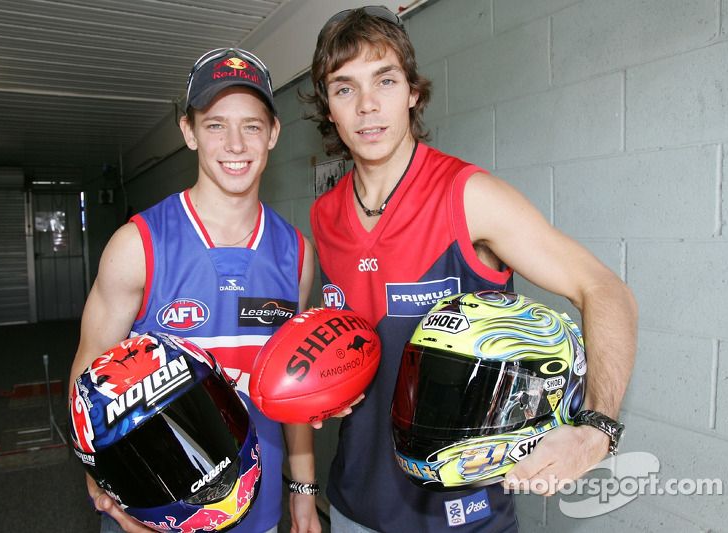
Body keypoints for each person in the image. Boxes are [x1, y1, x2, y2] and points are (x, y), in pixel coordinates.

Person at [305, 6, 638, 532]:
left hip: (462, 516)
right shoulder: (324, 216)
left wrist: (597, 428)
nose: (367, 107)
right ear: (328, 107)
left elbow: (604, 289)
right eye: (344, 88)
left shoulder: (468, 197)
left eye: (384, 81)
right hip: (355, 506)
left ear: (412, 91)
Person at [69, 47, 321, 533]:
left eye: (251, 125)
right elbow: (88, 374)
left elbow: (293, 387)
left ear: (273, 134)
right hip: (152, 506)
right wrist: (102, 487)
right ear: (188, 132)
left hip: (256, 503)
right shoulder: (138, 244)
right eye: (214, 125)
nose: (235, 143)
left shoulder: (297, 253)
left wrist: (304, 490)